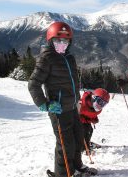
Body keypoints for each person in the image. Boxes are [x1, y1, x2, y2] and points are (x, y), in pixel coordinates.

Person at [28, 22, 97, 177]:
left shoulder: (69, 58)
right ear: (50, 41)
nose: (62, 44)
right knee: (65, 144)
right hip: (58, 109)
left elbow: (73, 82)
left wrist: (78, 100)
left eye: (65, 41)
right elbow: (33, 84)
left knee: (78, 139)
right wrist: (45, 104)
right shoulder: (46, 58)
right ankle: (63, 173)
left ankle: (77, 166)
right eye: (58, 41)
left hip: (72, 107)